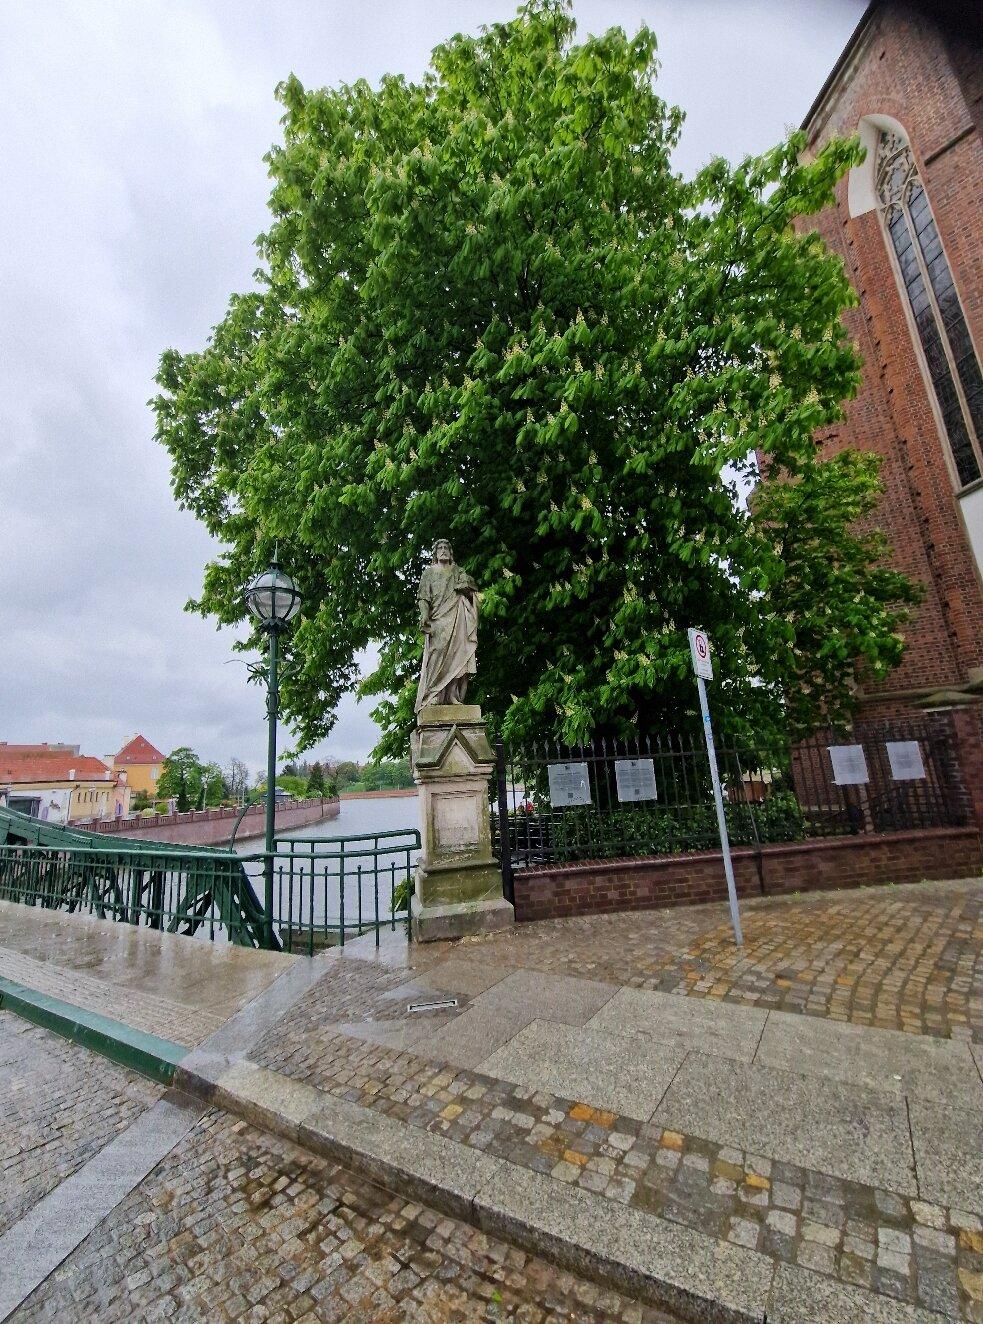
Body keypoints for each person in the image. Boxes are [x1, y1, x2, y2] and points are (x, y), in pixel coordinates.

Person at [415, 539, 478, 712]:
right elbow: (423, 598)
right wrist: (424, 615)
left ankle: (452, 695)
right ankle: (434, 693)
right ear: (435, 554)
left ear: (450, 552)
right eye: (439, 548)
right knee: (438, 655)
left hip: (457, 618)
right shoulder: (429, 573)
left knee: (458, 656)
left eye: (446, 548)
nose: (443, 551)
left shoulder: (458, 571)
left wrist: (466, 588)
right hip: (438, 621)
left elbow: (471, 590)